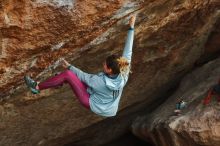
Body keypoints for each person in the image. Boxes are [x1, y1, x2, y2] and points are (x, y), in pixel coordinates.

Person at [24, 15, 136, 117]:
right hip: (108, 106)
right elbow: (128, 52)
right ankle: (58, 81)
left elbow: (84, 77)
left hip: (93, 103)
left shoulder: (100, 82)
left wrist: (69, 66)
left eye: (105, 64)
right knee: (68, 76)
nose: (103, 64)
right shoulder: (123, 71)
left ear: (109, 70)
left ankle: (36, 87)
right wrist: (131, 28)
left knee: (68, 74)